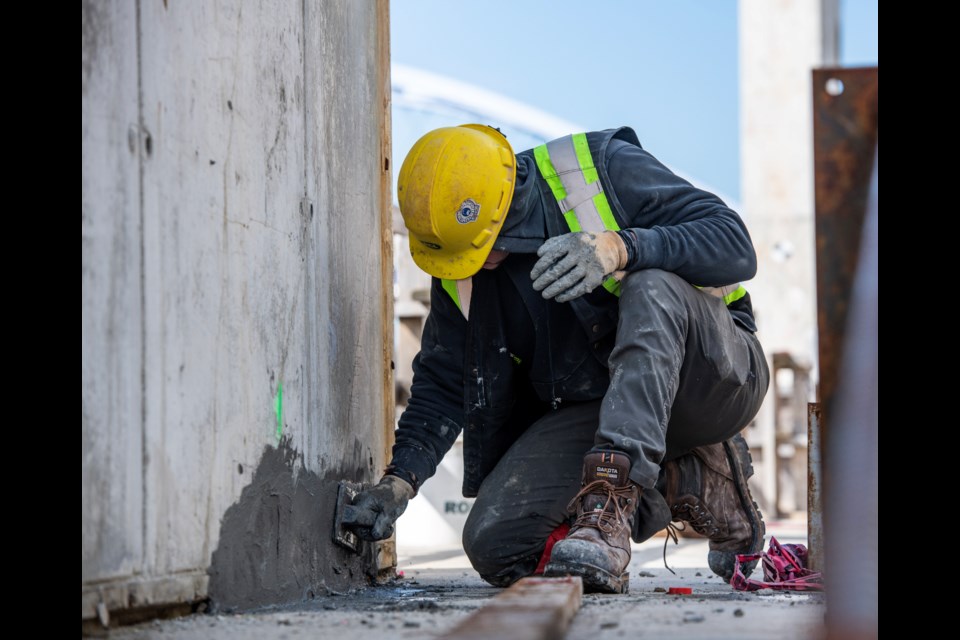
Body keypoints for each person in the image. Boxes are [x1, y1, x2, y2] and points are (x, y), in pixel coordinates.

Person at [342, 124, 770, 593]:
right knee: (497, 544)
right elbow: (444, 385)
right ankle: (689, 477)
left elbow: (734, 243)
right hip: (607, 409)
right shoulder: (460, 265)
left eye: (483, 247)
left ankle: (609, 504)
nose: (476, 263)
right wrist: (400, 481)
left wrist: (620, 248)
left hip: (712, 379)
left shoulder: (593, 170)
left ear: (505, 204)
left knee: (652, 284)